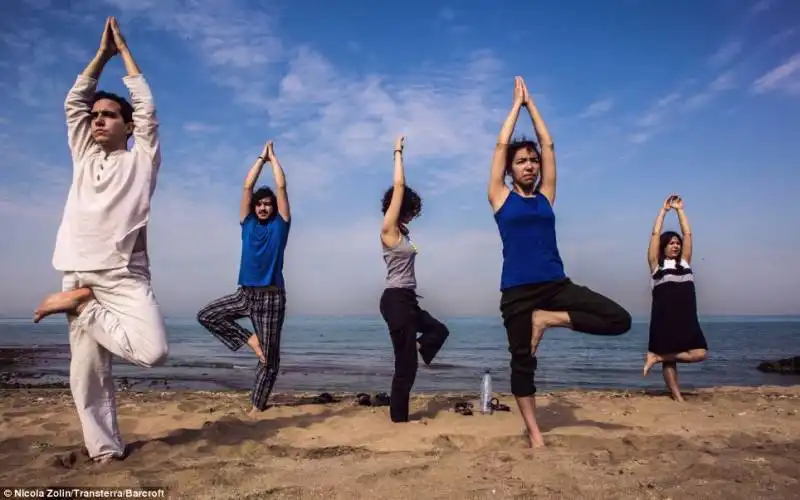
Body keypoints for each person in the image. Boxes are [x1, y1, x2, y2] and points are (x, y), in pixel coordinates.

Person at [32, 17, 167, 463]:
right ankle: (105, 452)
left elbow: (146, 106)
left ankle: (82, 304)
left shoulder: (141, 159)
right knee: (87, 374)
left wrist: (122, 53)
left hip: (122, 275)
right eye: (95, 117)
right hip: (77, 268)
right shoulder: (84, 154)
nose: (97, 121)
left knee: (154, 351)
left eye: (108, 115)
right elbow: (75, 102)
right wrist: (98, 58)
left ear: (128, 126)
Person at [487, 76, 632, 448]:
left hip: (556, 285)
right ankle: (536, 436)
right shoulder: (501, 198)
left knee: (620, 319)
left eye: (533, 161)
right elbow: (501, 144)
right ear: (510, 169)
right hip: (517, 292)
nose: (530, 165)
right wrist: (514, 108)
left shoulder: (546, 197)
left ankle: (549, 319)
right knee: (522, 364)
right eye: (522, 162)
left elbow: (549, 145)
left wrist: (531, 105)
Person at [197, 140, 290, 417]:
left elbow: (282, 188)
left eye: (267, 205)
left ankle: (256, 407)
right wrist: (261, 158)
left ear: (274, 208)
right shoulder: (247, 223)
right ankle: (249, 339)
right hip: (245, 294)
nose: (262, 208)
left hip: (271, 298)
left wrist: (274, 162)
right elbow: (247, 187)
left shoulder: (280, 226)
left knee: (269, 359)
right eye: (259, 205)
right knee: (207, 315)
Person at [379, 135, 450, 423]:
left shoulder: (404, 234)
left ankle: (419, 346)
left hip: (408, 300)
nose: (410, 215)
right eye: (408, 209)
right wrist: (398, 152)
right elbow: (399, 186)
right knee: (405, 367)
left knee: (439, 330)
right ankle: (399, 420)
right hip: (396, 300)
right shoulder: (388, 230)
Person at [643, 194, 708, 401]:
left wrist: (680, 210)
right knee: (670, 363)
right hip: (664, 320)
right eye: (671, 243)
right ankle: (677, 396)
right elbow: (655, 234)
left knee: (700, 353)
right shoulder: (657, 267)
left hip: (687, 319)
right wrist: (663, 211)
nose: (676, 245)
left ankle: (657, 356)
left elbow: (688, 234)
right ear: (663, 246)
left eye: (677, 243)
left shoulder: (685, 264)